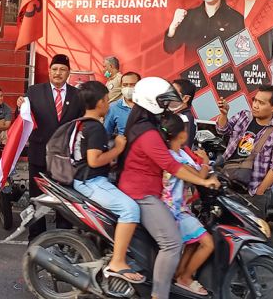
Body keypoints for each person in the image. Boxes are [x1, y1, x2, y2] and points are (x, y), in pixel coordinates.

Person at [118, 77, 219, 299]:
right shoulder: (148, 133)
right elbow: (172, 166)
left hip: (146, 191)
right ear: (152, 101)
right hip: (141, 194)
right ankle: (159, 295)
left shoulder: (146, 126)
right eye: (163, 101)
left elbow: (180, 158)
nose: (166, 106)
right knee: (172, 242)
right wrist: (203, 181)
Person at [72, 81, 144, 284]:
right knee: (131, 209)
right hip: (90, 181)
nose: (109, 104)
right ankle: (117, 262)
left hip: (87, 178)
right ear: (101, 102)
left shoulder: (84, 123)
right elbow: (94, 160)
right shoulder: (95, 128)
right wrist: (118, 149)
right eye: (107, 99)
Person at [17, 54, 83, 240]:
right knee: (37, 199)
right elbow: (24, 119)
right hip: (39, 155)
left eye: (62, 70)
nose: (58, 73)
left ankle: (63, 240)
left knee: (64, 199)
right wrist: (19, 105)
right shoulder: (34, 91)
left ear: (68, 73)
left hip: (64, 158)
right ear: (49, 71)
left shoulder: (77, 96)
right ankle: (36, 238)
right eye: (54, 69)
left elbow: (82, 124)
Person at [216, 85, 273, 217]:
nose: (255, 105)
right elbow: (222, 130)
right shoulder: (244, 116)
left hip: (252, 193)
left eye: (261, 103)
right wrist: (223, 114)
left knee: (250, 233)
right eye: (255, 100)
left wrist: (259, 192)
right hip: (227, 183)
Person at [160, 113, 213, 296]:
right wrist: (206, 162)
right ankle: (186, 277)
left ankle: (179, 274)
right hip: (173, 211)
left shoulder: (174, 153)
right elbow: (199, 177)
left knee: (192, 242)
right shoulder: (175, 157)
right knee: (207, 243)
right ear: (182, 135)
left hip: (178, 207)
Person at [104, 72, 141, 136]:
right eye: (125, 85)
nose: (128, 88)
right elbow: (106, 133)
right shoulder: (113, 107)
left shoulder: (146, 106)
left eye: (132, 85)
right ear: (121, 86)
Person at [172, 79, 197, 148]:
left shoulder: (185, 119)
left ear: (185, 98)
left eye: (173, 93)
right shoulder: (176, 114)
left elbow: (184, 148)